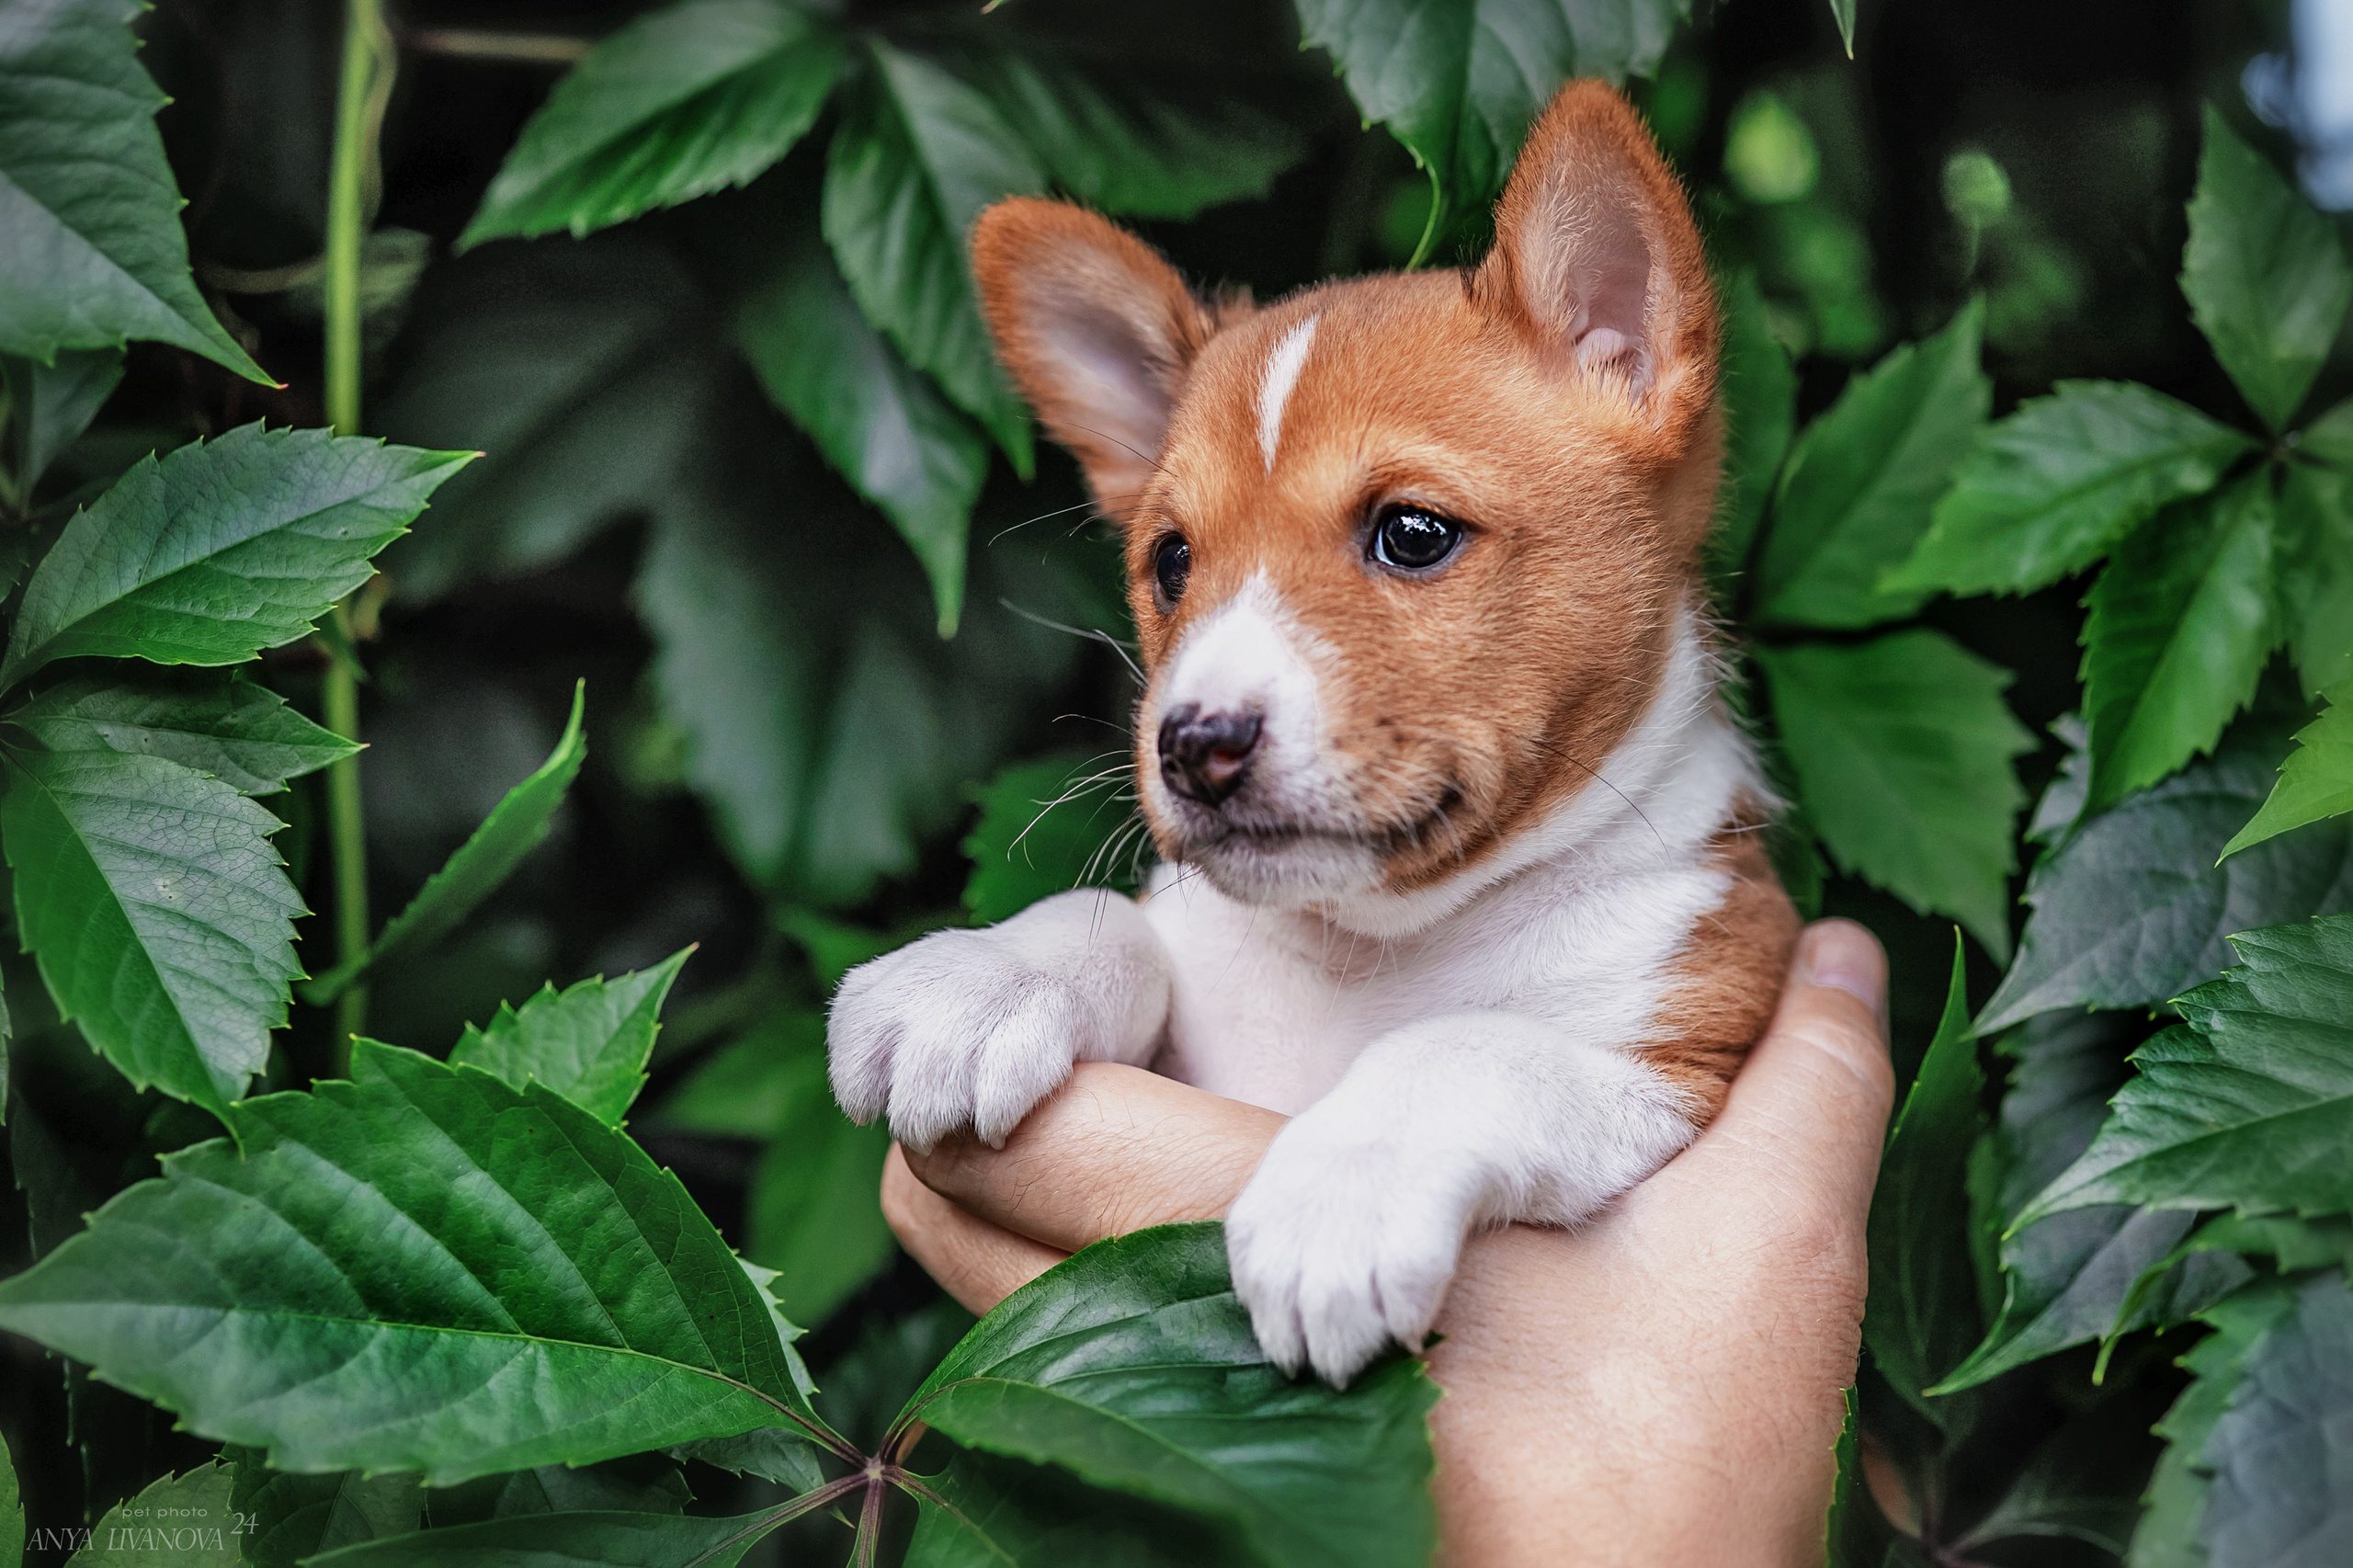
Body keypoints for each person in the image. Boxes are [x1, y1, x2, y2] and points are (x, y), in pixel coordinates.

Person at [881, 918, 1894, 1567]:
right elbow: (1176, 949)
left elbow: (1641, 1095)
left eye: (1410, 558)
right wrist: (1074, 958)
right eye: (1175, 566)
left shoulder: (1667, 897)